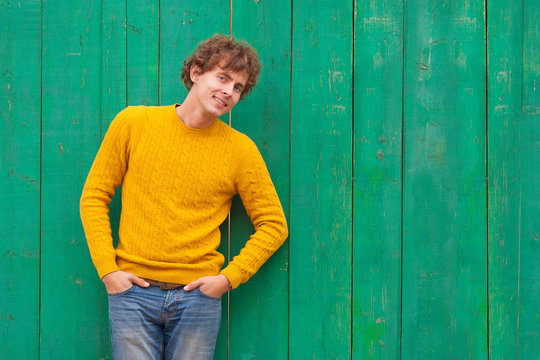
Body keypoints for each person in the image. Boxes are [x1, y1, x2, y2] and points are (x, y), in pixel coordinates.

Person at [80, 34, 288, 360]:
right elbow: (94, 196)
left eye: (237, 87)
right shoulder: (134, 123)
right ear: (195, 73)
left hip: (198, 299)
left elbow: (274, 225)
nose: (228, 92)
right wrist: (108, 270)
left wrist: (227, 280)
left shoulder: (240, 150)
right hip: (133, 294)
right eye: (222, 78)